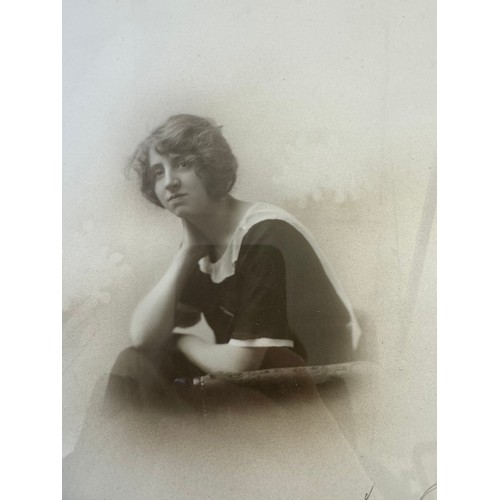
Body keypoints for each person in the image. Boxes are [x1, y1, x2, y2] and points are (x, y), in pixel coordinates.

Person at [106, 113, 361, 412]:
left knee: (150, 388)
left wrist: (181, 342)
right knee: (134, 363)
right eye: (158, 172)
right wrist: (186, 253)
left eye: (183, 164)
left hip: (311, 395)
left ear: (210, 164)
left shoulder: (266, 236)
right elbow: (142, 338)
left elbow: (242, 364)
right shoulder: (202, 245)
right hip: (257, 385)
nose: (170, 182)